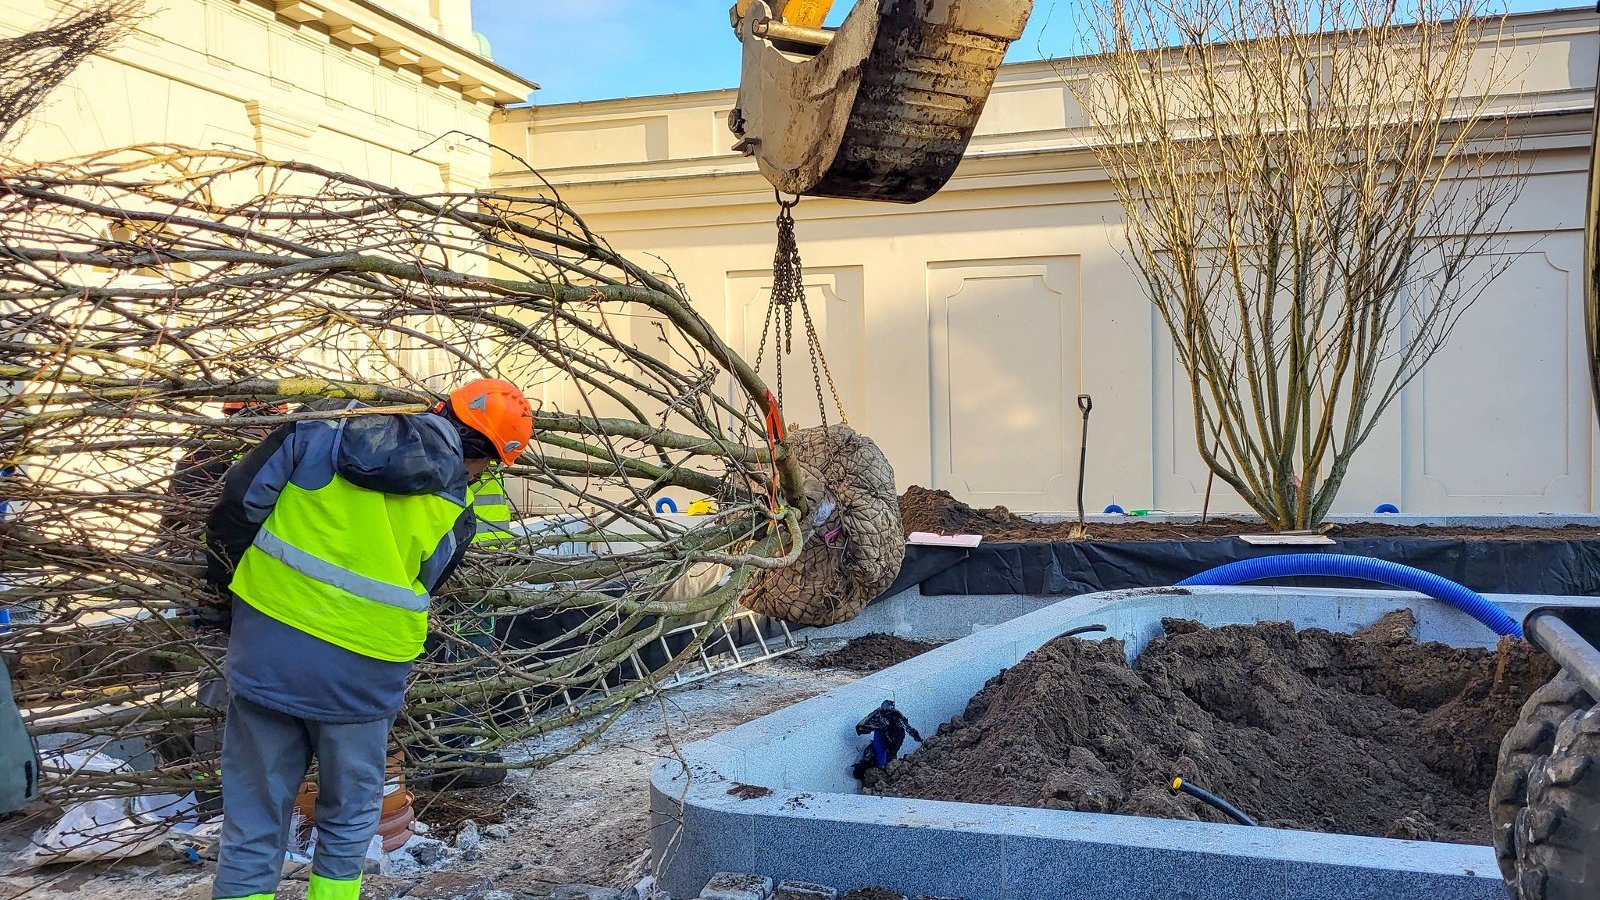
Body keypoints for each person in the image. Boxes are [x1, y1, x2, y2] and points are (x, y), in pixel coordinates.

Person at [204, 379, 533, 900]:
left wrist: (230, 601)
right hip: (363, 675)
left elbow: (236, 510)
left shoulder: (319, 430)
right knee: (350, 815)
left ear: (439, 409)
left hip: (268, 649)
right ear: (486, 458)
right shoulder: (456, 511)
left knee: (254, 816)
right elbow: (426, 582)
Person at [850, 700, 922, 781]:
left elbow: (908, 728)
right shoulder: (878, 714)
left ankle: (889, 770)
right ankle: (880, 769)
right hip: (881, 734)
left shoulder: (897, 717)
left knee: (892, 755)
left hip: (895, 738)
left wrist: (916, 736)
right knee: (878, 753)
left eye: (887, 712)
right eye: (883, 711)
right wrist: (863, 728)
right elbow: (867, 721)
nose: (885, 715)